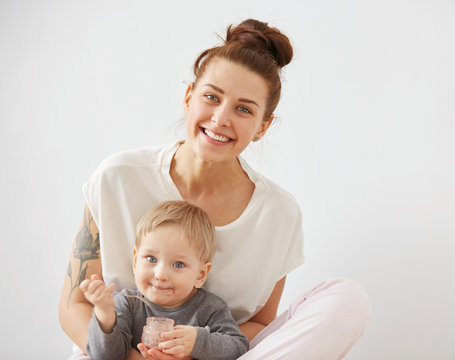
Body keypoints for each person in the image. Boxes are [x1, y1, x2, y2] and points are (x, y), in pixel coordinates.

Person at [59, 18, 372, 360]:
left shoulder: (279, 215)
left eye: (243, 109)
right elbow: (74, 305)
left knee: (347, 299)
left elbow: (259, 325)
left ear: (262, 127)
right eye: (212, 97)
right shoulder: (118, 177)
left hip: (216, 355)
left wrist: (195, 352)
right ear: (189, 97)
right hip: (112, 354)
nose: (221, 118)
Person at [80, 200, 249, 360]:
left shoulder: (210, 308)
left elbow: (238, 346)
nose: (160, 275)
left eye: (178, 264)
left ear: (200, 275)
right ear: (135, 261)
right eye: (151, 259)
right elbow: (106, 356)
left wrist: (198, 343)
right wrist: (104, 315)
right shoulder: (126, 303)